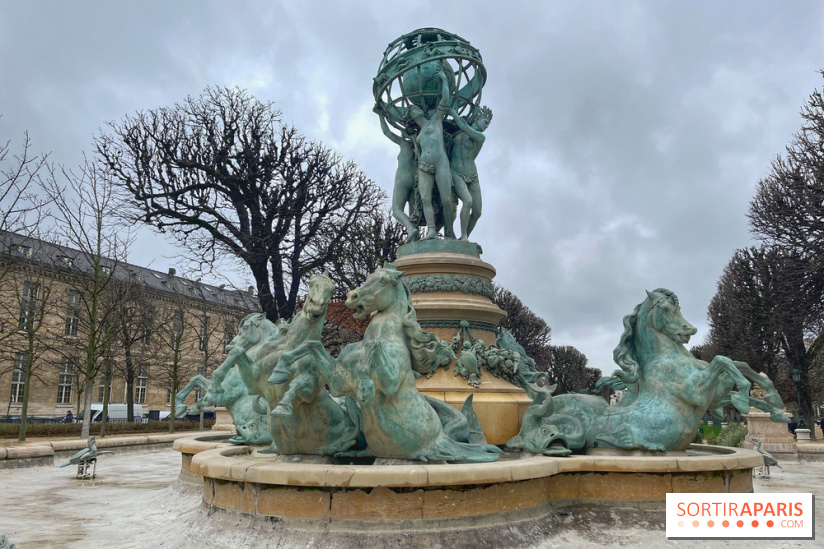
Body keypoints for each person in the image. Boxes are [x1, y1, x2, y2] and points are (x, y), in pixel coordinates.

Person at [407, 65, 456, 240]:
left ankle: (449, 231)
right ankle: (431, 231)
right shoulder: (418, 134)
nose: (416, 109)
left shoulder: (436, 120)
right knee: (425, 198)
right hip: (424, 165)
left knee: (447, 200)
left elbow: (444, 99)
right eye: (413, 111)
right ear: (412, 117)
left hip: (441, 162)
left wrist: (444, 79)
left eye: (416, 109)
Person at [375, 104, 420, 242]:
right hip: (415, 179)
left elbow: (386, 132)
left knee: (397, 210)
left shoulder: (403, 143)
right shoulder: (419, 144)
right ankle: (415, 241)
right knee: (413, 214)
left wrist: (380, 115)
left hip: (402, 178)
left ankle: (411, 230)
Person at [448, 105, 492, 240]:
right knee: (467, 201)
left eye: (487, 125)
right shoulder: (456, 133)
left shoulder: (480, 137)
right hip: (455, 173)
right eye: (485, 122)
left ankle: (463, 237)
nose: (485, 127)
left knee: (478, 212)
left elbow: (465, 127)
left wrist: (453, 112)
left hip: (472, 175)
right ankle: (464, 236)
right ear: (477, 119)